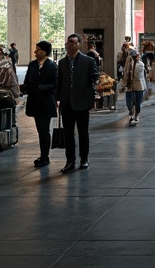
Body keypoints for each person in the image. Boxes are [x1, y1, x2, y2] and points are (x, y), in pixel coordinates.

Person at [57, 33, 99, 172]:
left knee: (83, 132)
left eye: (73, 43)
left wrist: (92, 97)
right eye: (68, 43)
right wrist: (59, 99)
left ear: (79, 44)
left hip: (82, 102)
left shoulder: (88, 61)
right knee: (68, 133)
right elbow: (60, 82)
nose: (70, 45)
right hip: (67, 103)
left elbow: (94, 79)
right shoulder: (62, 62)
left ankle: (84, 158)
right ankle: (70, 160)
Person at [21, 40, 58, 166]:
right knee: (40, 130)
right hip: (34, 102)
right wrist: (24, 88)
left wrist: (39, 88)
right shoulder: (32, 65)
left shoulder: (52, 66)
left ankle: (44, 156)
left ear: (45, 51)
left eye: (38, 49)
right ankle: (43, 155)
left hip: (46, 103)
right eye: (36, 49)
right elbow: (27, 81)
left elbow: (54, 84)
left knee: (43, 130)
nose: (35, 52)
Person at [122, 48, 147, 124]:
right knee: (128, 103)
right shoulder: (128, 63)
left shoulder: (140, 64)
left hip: (139, 85)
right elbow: (125, 74)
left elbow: (137, 76)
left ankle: (136, 114)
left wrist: (131, 66)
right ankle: (131, 112)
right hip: (129, 85)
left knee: (138, 103)